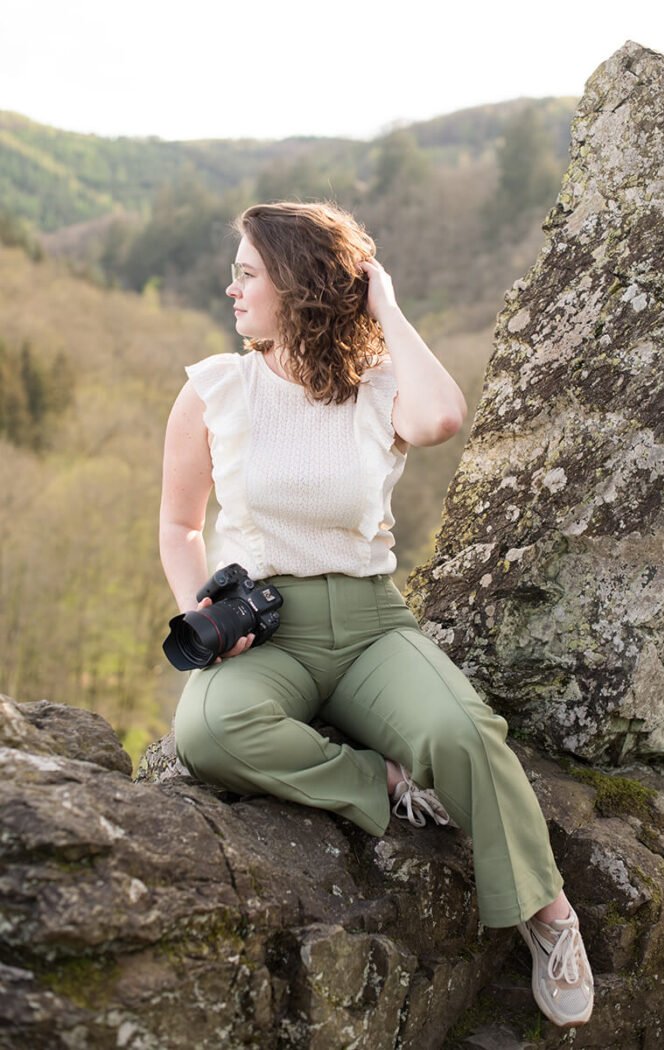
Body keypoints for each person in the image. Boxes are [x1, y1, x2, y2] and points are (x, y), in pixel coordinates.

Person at [160, 200, 594, 1029]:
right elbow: (178, 525)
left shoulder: (377, 388)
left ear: (295, 284)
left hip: (369, 625)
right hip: (265, 626)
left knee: (463, 735)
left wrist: (384, 305)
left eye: (248, 273)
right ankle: (385, 783)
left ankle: (550, 916)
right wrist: (204, 615)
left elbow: (442, 418)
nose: (231, 287)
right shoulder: (216, 388)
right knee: (209, 734)